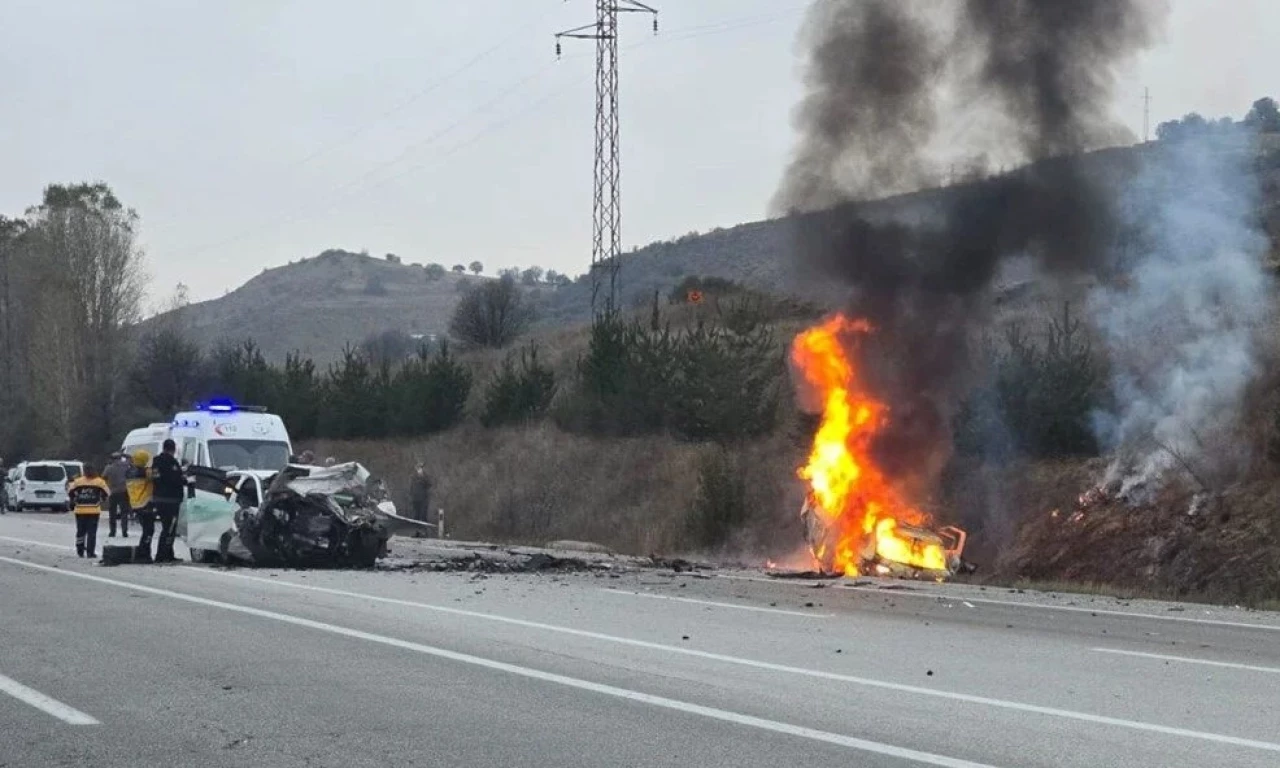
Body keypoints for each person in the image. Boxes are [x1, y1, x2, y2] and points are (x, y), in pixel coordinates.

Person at [150, 439, 186, 564]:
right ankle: (162, 555)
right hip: (171, 500)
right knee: (169, 529)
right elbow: (175, 479)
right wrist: (184, 480)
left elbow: (156, 478)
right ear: (173, 449)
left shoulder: (156, 462)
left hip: (159, 498)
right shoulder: (171, 462)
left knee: (167, 527)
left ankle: (169, 553)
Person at [68, 463, 110, 559]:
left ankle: (80, 550)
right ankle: (90, 553)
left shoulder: (78, 481)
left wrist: (75, 499)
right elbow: (107, 493)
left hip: (80, 510)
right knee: (92, 533)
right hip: (94, 510)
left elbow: (70, 492)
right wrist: (101, 500)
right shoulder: (100, 482)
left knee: (80, 532)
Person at [127, 449, 155, 564]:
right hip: (145, 504)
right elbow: (155, 477)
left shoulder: (129, 472)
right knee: (149, 530)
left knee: (146, 530)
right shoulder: (145, 472)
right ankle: (144, 554)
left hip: (135, 504)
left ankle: (143, 552)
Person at [102, 452, 130, 538]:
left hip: (113, 492)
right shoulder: (125, 465)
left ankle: (112, 531)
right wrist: (125, 454)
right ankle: (124, 531)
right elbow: (132, 459)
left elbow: (103, 477)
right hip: (124, 491)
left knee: (112, 513)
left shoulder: (109, 468)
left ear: (112, 459)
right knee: (124, 512)